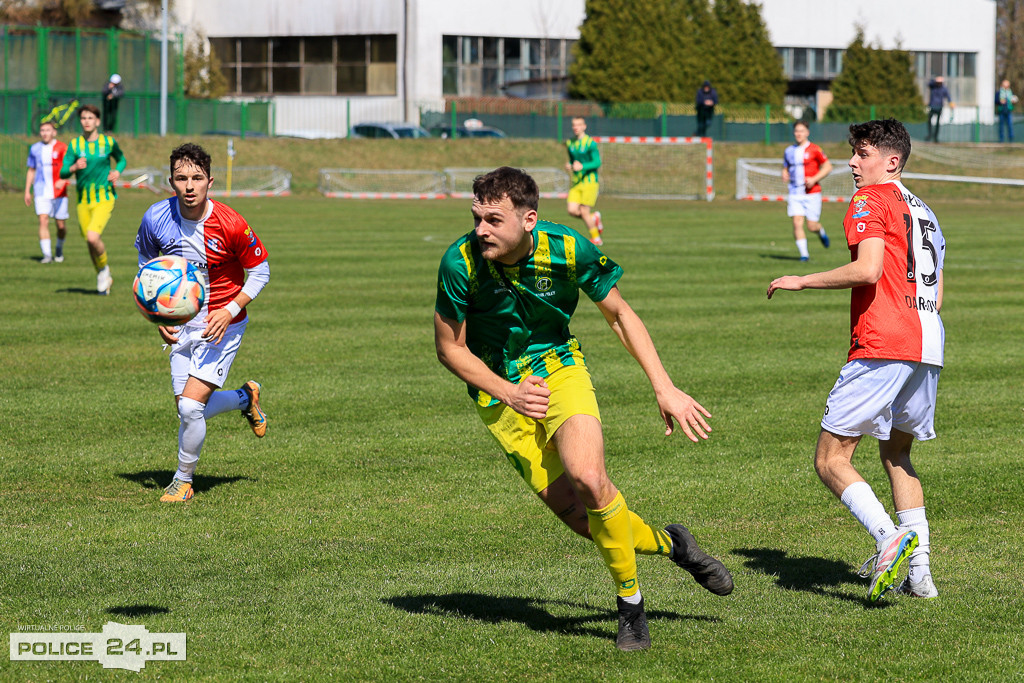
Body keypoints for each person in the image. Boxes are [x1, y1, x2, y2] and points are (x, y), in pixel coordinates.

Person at [434, 167, 733, 651]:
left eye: (493, 219)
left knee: (591, 480)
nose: (480, 230)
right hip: (498, 393)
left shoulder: (569, 248)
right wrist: (508, 392)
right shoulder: (459, 262)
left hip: (559, 368)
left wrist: (664, 386)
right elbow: (450, 349)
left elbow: (619, 313)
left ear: (529, 219)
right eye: (476, 218)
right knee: (582, 519)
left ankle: (630, 608)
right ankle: (675, 544)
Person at [767, 119, 945, 602]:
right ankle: (921, 577)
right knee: (897, 454)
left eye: (863, 153)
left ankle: (888, 537)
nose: (852, 162)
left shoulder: (871, 198)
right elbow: (937, 292)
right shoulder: (925, 211)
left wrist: (801, 280)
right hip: (928, 344)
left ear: (891, 161)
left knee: (831, 459)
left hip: (884, 341)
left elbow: (868, 270)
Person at [134, 142, 270, 503]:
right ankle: (245, 397)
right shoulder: (156, 218)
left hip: (222, 324)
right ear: (171, 181)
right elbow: (147, 266)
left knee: (190, 408)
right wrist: (158, 316)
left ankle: (183, 481)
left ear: (210, 181)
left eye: (197, 178)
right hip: (182, 324)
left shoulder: (231, 223)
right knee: (188, 408)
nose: (189, 186)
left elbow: (260, 271)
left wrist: (229, 310)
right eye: (181, 178)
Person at [59, 104, 126, 295]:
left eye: (90, 118)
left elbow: (121, 159)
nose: (86, 121)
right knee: (89, 242)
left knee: (92, 237)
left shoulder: (108, 142)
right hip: (83, 201)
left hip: (104, 197)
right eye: (83, 118)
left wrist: (116, 172)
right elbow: (63, 172)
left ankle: (104, 269)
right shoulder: (74, 145)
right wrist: (73, 167)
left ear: (97, 121)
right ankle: (102, 274)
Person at [782, 120, 833, 261]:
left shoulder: (815, 149)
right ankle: (804, 255)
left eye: (801, 131)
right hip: (794, 192)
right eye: (796, 131)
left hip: (812, 193)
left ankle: (820, 231)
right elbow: (786, 167)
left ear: (807, 132)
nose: (799, 134)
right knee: (797, 222)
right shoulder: (789, 151)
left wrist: (814, 178)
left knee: (811, 226)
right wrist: (784, 173)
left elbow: (828, 167)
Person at [24, 121, 69, 264]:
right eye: (42, 130)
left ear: (54, 132)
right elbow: (31, 170)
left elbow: (70, 168)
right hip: (40, 190)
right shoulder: (35, 148)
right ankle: (47, 255)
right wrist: (27, 191)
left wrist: (64, 180)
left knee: (60, 225)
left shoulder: (62, 147)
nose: (44, 133)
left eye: (48, 130)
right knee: (43, 220)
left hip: (59, 192)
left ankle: (59, 248)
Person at [564, 117, 604, 245]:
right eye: (574, 125)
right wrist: (569, 165)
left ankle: (596, 238)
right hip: (577, 182)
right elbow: (572, 160)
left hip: (590, 182)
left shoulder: (590, 143)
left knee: (584, 211)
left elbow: (597, 162)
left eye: (579, 125)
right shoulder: (570, 143)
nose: (576, 127)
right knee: (572, 210)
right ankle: (594, 218)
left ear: (584, 126)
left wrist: (583, 166)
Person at [925, 77, 954, 143]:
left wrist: (951, 103)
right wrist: (934, 80)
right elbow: (929, 84)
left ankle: (935, 137)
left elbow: (948, 96)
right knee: (929, 121)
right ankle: (930, 135)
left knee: (937, 123)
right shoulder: (933, 86)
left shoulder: (944, 89)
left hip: (939, 107)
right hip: (932, 107)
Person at [996, 79, 1017, 143]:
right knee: (1001, 126)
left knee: (1010, 125)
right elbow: (995, 100)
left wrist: (1013, 101)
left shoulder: (1010, 92)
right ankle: (1001, 140)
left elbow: (1014, 100)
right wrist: (1000, 101)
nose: (1006, 87)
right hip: (1001, 111)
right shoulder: (999, 92)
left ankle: (1011, 140)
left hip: (1008, 111)